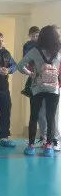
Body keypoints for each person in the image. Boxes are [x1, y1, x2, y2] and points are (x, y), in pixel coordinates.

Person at [17, 24, 61, 157]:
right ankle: (48, 147)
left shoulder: (34, 51)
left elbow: (20, 66)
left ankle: (31, 146)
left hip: (37, 87)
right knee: (51, 117)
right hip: (53, 88)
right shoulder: (58, 52)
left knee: (34, 116)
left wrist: (30, 74)